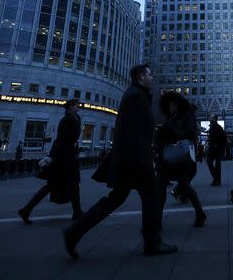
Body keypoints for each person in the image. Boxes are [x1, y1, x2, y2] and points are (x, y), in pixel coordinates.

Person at [62, 65, 176, 259]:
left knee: (117, 198)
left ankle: (75, 231)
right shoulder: (135, 97)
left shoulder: (136, 95)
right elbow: (133, 132)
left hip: (132, 159)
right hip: (136, 159)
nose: (152, 77)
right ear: (141, 76)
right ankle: (152, 241)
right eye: (149, 74)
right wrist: (144, 159)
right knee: (151, 195)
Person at [18, 99, 83, 224]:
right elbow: (60, 139)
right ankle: (26, 209)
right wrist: (52, 155)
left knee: (63, 185)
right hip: (64, 158)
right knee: (62, 184)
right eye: (76, 105)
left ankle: (77, 211)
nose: (78, 107)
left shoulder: (75, 118)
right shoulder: (66, 120)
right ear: (70, 107)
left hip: (68, 156)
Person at [156, 92, 206, 227]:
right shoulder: (170, 117)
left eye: (172, 104)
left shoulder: (188, 115)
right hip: (168, 155)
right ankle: (157, 220)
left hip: (181, 155)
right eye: (168, 105)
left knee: (184, 184)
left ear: (178, 104)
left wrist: (170, 130)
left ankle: (200, 213)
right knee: (161, 185)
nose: (170, 107)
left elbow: (189, 133)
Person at [206, 115, 226, 186]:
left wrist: (217, 145)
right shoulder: (212, 127)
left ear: (215, 119)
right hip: (213, 148)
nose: (209, 119)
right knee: (210, 162)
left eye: (211, 118)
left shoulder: (218, 127)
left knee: (215, 164)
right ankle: (216, 178)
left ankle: (217, 179)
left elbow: (222, 138)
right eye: (210, 117)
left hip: (217, 148)